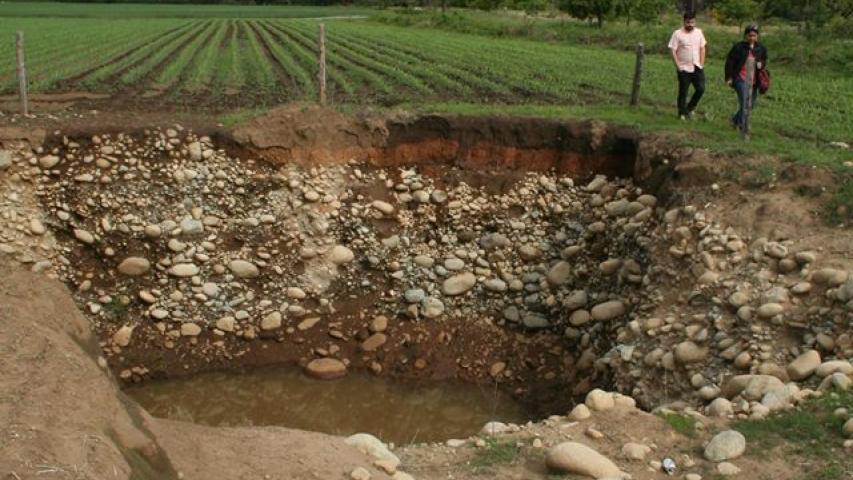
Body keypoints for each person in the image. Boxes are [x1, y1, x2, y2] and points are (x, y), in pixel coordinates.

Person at [725, 24, 768, 132]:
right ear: (745, 36)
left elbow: (764, 61)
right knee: (745, 102)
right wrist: (729, 77)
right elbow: (730, 62)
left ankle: (735, 120)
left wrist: (761, 64)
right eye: (750, 35)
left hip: (754, 80)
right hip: (740, 78)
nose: (752, 38)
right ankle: (744, 127)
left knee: (751, 104)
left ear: (757, 36)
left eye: (754, 35)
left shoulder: (761, 48)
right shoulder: (739, 47)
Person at [668, 12, 707, 120]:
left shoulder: (699, 33)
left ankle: (689, 108)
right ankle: (681, 113)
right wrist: (678, 66)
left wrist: (702, 63)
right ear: (684, 21)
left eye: (692, 22)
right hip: (683, 68)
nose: (690, 24)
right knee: (683, 91)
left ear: (695, 22)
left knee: (701, 89)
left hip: (697, 66)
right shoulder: (677, 34)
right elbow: (672, 49)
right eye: (688, 22)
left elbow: (702, 47)